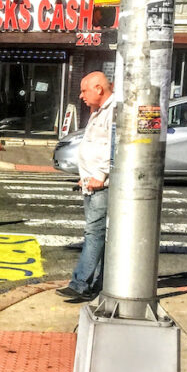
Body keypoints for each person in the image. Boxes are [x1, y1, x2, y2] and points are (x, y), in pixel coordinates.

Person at [56, 71, 114, 303]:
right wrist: (86, 176)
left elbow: (114, 146)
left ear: (99, 88)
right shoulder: (98, 111)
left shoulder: (114, 111)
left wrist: (100, 175)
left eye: (84, 90)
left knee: (94, 232)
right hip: (92, 182)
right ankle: (93, 284)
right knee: (96, 234)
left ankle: (80, 284)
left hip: (102, 184)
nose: (81, 96)